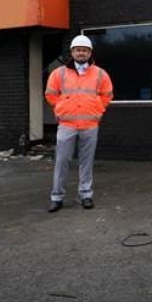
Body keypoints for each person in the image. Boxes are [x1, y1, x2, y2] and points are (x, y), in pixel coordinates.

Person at [45, 34, 113, 212]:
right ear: (72, 52)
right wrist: (60, 108)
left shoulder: (100, 74)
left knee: (86, 161)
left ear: (90, 52)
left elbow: (107, 95)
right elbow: (50, 94)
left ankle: (86, 194)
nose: (81, 53)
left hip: (90, 125)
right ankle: (57, 196)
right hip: (67, 124)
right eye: (78, 50)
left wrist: (98, 110)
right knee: (62, 160)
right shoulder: (58, 73)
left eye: (84, 50)